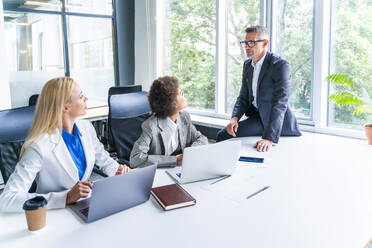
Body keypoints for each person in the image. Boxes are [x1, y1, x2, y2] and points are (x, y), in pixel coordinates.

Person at [0, 77, 131, 212]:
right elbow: (8, 198)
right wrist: (65, 197)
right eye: (81, 97)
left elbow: (105, 161)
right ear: (65, 107)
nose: (86, 99)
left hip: (85, 206)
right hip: (54, 214)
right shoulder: (39, 145)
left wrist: (118, 171)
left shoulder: (86, 127)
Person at [217, 25, 301, 152]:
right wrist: (234, 118)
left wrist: (269, 138)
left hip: (276, 121)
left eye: (251, 43)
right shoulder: (247, 65)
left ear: (265, 43)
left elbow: (280, 102)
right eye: (245, 43)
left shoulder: (280, 65)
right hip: (258, 117)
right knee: (223, 135)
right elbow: (243, 97)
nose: (247, 47)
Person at [130, 76, 208, 168]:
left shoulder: (184, 117)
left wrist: (188, 154)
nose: (185, 96)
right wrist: (175, 160)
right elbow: (135, 160)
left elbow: (201, 138)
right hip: (158, 174)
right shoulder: (151, 126)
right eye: (181, 94)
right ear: (172, 103)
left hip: (179, 170)